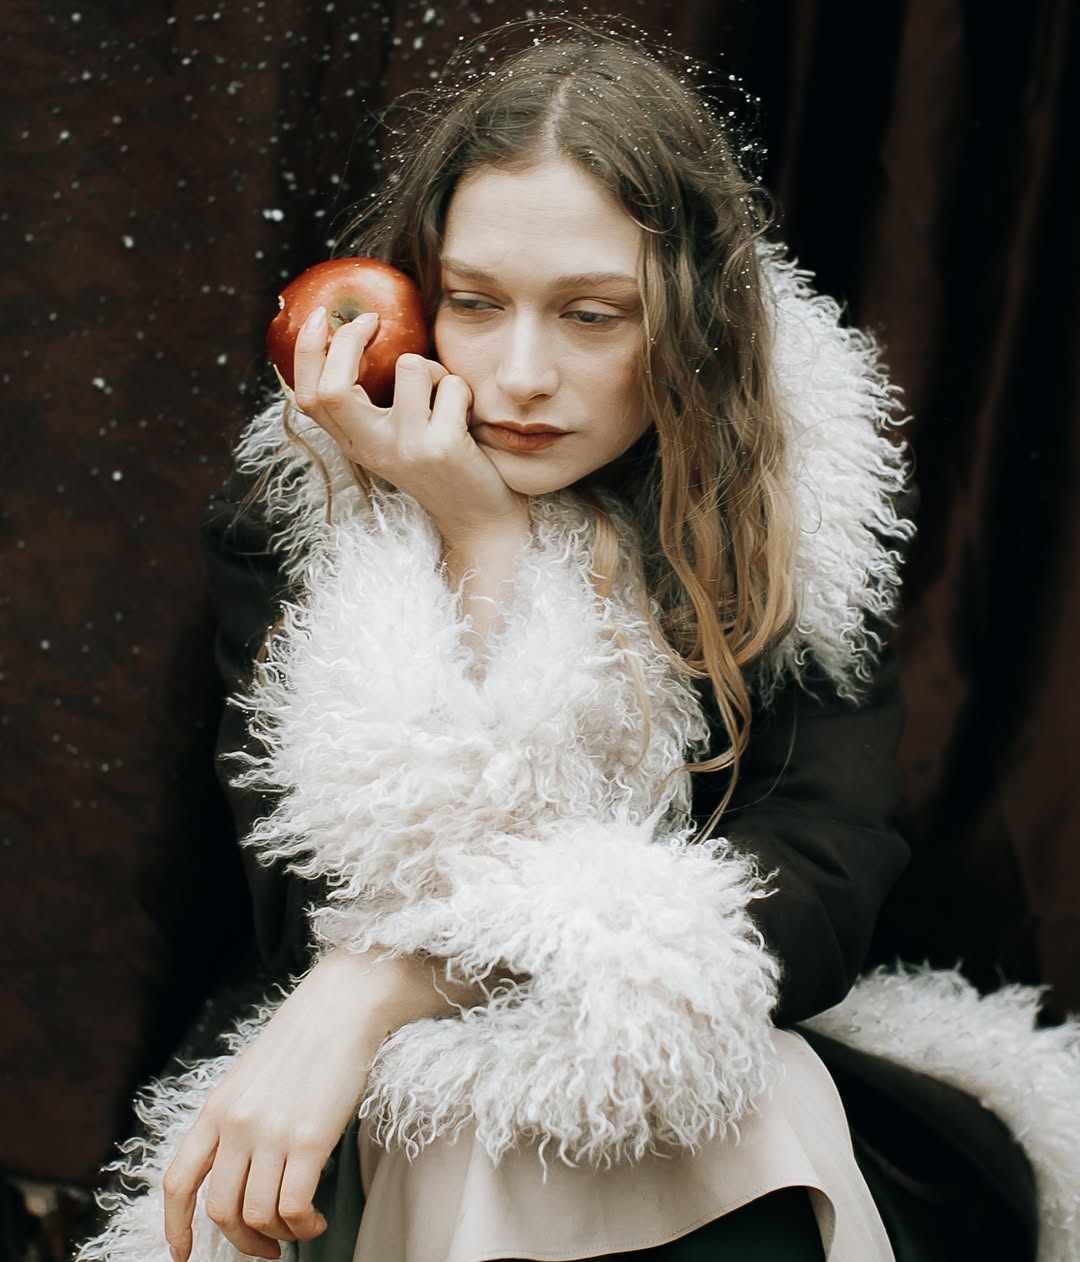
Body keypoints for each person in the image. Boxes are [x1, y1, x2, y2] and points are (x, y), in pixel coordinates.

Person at [78, 18, 1071, 1262]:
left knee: (712, 1091)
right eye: (474, 303)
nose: (520, 374)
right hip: (371, 1114)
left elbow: (812, 892)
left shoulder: (796, 510)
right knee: (471, 1114)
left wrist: (391, 975)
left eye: (594, 315)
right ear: (414, 296)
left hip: (712, 1084)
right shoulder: (303, 519)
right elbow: (312, 904)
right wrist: (481, 551)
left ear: (692, 322)